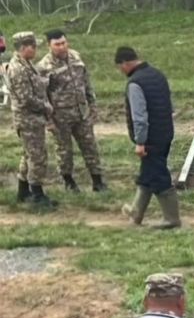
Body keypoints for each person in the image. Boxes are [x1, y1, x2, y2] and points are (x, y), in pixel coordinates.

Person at [114, 46, 181, 229]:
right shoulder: (158, 75)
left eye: (120, 67)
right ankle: (136, 213)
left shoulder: (135, 83)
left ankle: (172, 219)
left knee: (158, 176)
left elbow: (140, 117)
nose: (121, 71)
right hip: (165, 133)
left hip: (150, 139)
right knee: (148, 174)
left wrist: (140, 141)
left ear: (125, 63)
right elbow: (170, 106)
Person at [38, 29, 107, 193]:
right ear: (49, 45)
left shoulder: (76, 57)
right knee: (64, 151)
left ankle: (97, 181)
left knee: (90, 147)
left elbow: (86, 82)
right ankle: (69, 182)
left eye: (64, 43)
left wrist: (93, 105)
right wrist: (48, 121)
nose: (62, 47)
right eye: (57, 44)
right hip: (60, 117)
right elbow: (42, 96)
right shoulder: (44, 66)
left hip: (81, 112)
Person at [6, 32, 57, 207]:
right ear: (22, 48)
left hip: (32, 118)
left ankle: (23, 191)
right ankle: (37, 194)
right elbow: (26, 98)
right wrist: (46, 106)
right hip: (28, 119)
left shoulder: (26, 64)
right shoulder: (18, 69)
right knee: (38, 156)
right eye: (32, 47)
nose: (35, 50)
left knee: (28, 154)